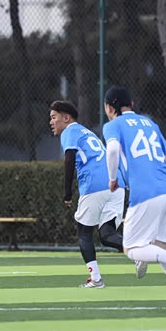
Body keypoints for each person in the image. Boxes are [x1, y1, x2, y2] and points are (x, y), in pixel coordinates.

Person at [102, 86, 166, 308]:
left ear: (109, 107)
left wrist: (113, 179)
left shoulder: (113, 125)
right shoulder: (150, 123)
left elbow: (112, 150)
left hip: (146, 193)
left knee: (131, 248)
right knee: (160, 247)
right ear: (132, 105)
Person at [50, 100, 125, 288]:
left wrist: (67, 193)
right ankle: (140, 252)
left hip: (94, 184)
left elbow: (69, 159)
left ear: (66, 118)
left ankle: (96, 279)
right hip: (116, 184)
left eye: (54, 117)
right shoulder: (87, 132)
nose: (51, 122)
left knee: (84, 233)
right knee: (107, 235)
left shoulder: (69, 131)